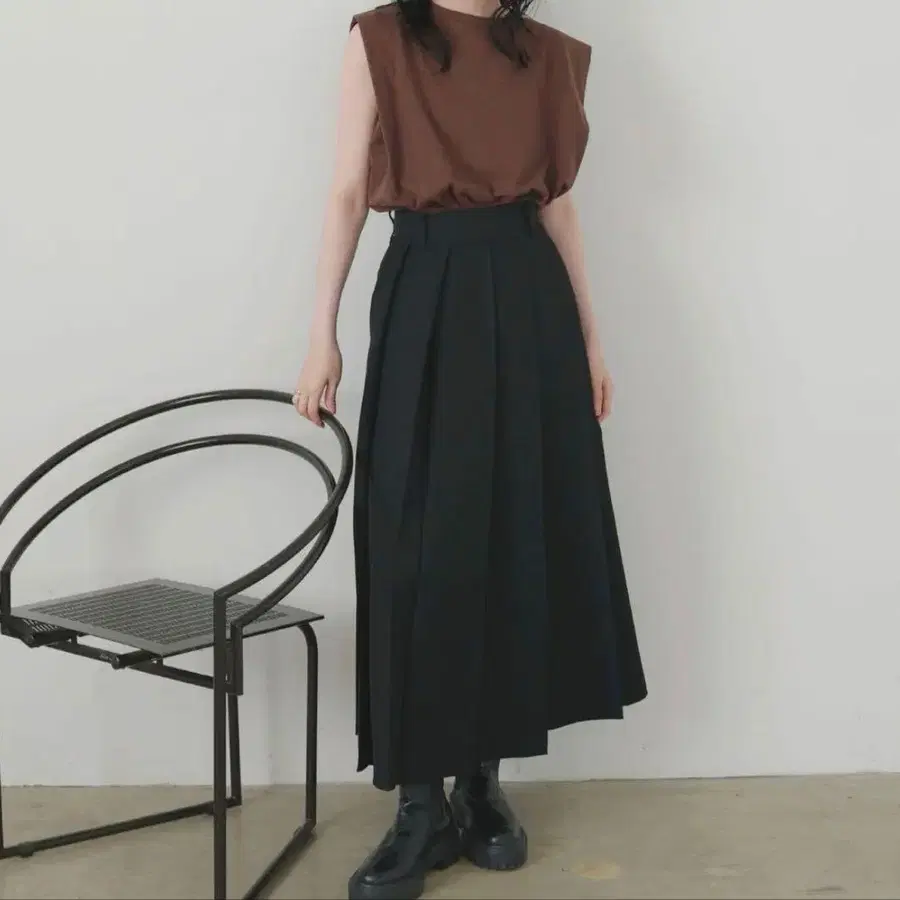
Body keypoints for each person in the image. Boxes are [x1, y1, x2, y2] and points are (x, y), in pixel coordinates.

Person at [293, 1, 647, 897]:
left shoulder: (542, 53)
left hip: (528, 301)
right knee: (415, 542)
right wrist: (320, 335)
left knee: (507, 534)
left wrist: (592, 341)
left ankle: (482, 783)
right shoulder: (380, 38)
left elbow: (557, 205)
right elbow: (346, 190)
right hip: (425, 287)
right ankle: (419, 804)